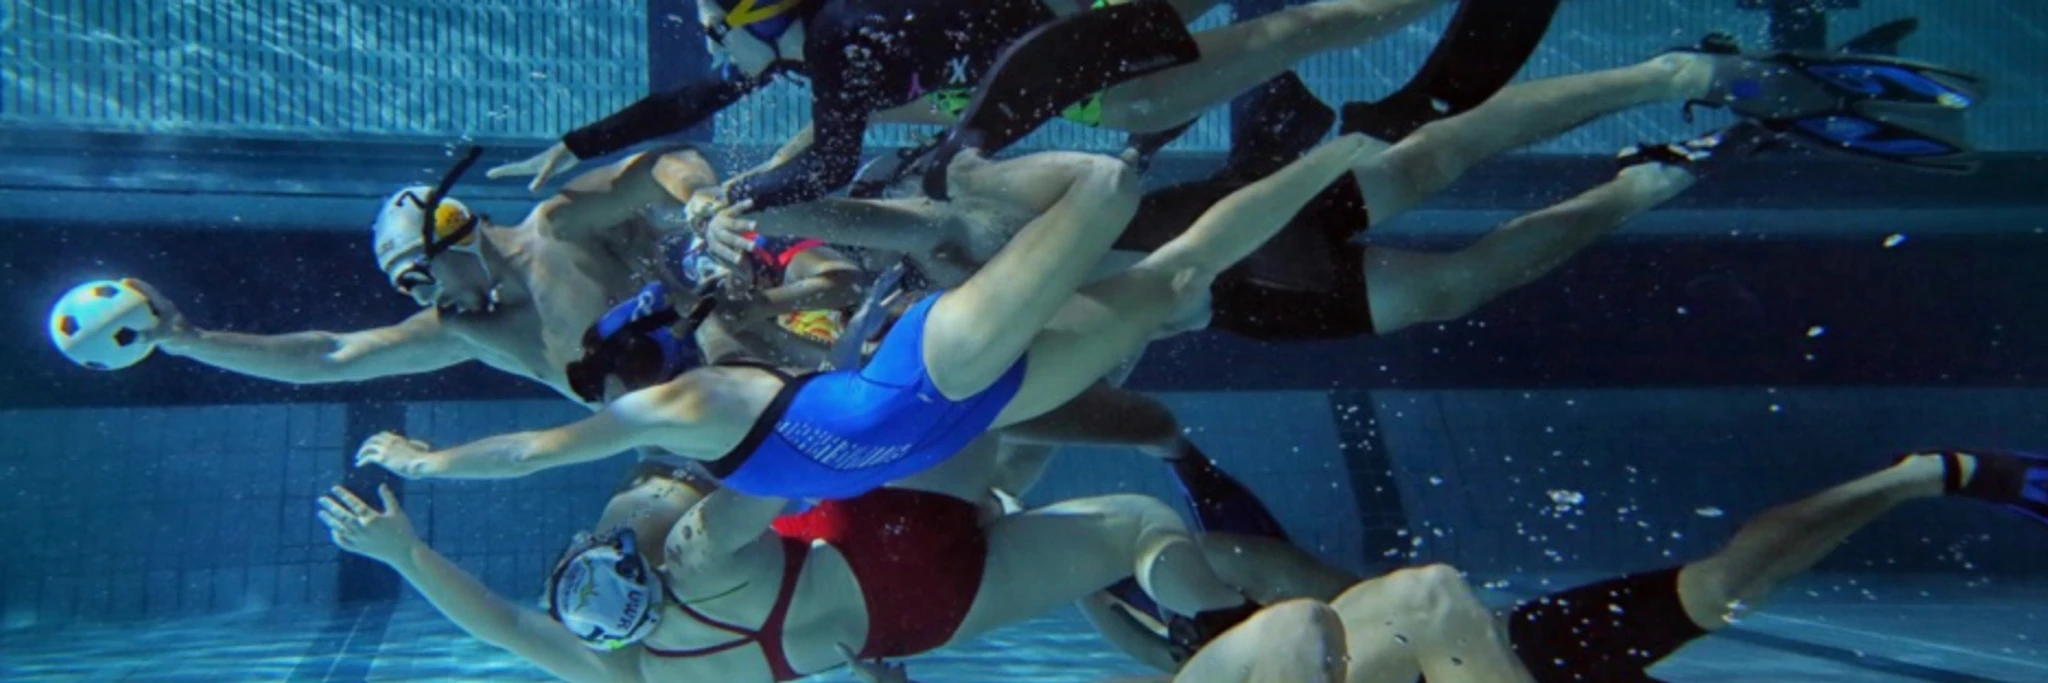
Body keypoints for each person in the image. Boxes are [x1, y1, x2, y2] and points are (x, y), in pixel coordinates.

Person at [354, 133, 1380, 503]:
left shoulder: (694, 417)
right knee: (1161, 260)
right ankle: (1346, 145)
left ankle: (1330, 153)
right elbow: (536, 446)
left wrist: (437, 462)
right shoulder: (683, 414)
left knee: (1138, 237)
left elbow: (539, 445)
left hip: (931, 388)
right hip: (950, 397)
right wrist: (434, 464)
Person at [857, 447, 2046, 683]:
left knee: (1727, 582)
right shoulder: (1188, 630)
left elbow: (1343, 600)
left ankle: (1923, 472)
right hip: (1438, 642)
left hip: (1479, 647)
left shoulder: (1230, 599)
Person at [319, 433, 1278, 682]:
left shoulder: (644, 667)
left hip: (923, 617)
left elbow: (495, 621)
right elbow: (801, 453)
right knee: (1128, 504)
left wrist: (404, 554)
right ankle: (1214, 620)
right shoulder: (697, 551)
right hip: (888, 534)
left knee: (1129, 524)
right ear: (643, 562)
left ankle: (1202, 651)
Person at [489, 0, 1455, 213]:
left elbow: (828, 168)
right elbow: (693, 97)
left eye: (712, 22)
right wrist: (577, 141)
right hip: (1083, 48)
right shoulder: (807, 54)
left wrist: (740, 197)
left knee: (1297, 36)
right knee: (1294, 36)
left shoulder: (837, 48)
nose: (708, 42)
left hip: (1091, 65)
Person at [117, 145, 862, 405]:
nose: (429, 300)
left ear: (455, 233)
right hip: (703, 440)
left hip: (777, 364)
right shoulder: (476, 332)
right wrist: (190, 340)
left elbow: (661, 165)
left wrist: (700, 203)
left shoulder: (564, 227)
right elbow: (331, 356)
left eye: (421, 279)